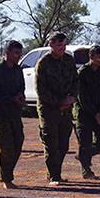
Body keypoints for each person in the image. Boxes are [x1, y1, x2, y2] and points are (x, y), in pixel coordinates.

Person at [36, 32, 78, 186]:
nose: (62, 48)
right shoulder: (43, 63)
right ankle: (53, 176)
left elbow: (75, 81)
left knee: (63, 145)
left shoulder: (68, 60)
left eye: (64, 45)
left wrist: (71, 98)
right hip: (49, 110)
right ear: (51, 44)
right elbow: (41, 90)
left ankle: (56, 173)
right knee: (51, 144)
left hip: (66, 110)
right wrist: (59, 102)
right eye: (59, 45)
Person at [0, 40, 28, 189]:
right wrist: (10, 98)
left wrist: (20, 97)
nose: (18, 56)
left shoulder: (17, 70)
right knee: (6, 147)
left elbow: (21, 88)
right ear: (7, 53)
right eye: (16, 53)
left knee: (18, 143)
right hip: (0, 115)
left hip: (14, 114)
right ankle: (6, 179)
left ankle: (3, 174)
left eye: (20, 53)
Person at [74, 45, 100, 180]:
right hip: (84, 113)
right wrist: (94, 113)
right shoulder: (83, 73)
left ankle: (82, 155)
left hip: (98, 112)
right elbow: (82, 97)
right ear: (91, 57)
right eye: (99, 57)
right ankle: (86, 171)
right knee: (85, 142)